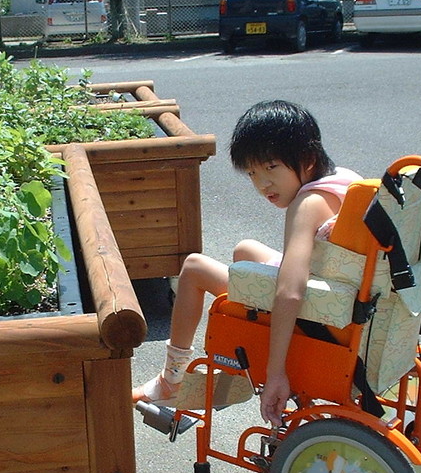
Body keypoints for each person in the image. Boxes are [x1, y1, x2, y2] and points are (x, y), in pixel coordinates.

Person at [132, 99, 362, 427]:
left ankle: (172, 378)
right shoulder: (343, 180)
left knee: (194, 267)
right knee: (244, 250)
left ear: (307, 159)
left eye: (271, 168)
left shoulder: (307, 205)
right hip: (339, 289)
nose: (262, 184)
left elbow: (290, 292)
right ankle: (224, 369)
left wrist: (276, 372)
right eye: (253, 172)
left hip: (314, 311)